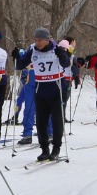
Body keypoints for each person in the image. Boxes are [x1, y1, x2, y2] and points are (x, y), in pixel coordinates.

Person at [25, 27, 70, 161]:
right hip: (41, 90)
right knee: (40, 122)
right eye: (35, 40)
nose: (37, 43)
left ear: (47, 40)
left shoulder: (56, 48)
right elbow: (20, 64)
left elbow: (66, 63)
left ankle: (56, 148)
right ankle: (44, 149)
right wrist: (17, 56)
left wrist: (62, 54)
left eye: (40, 40)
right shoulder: (33, 50)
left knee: (57, 121)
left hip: (57, 89)